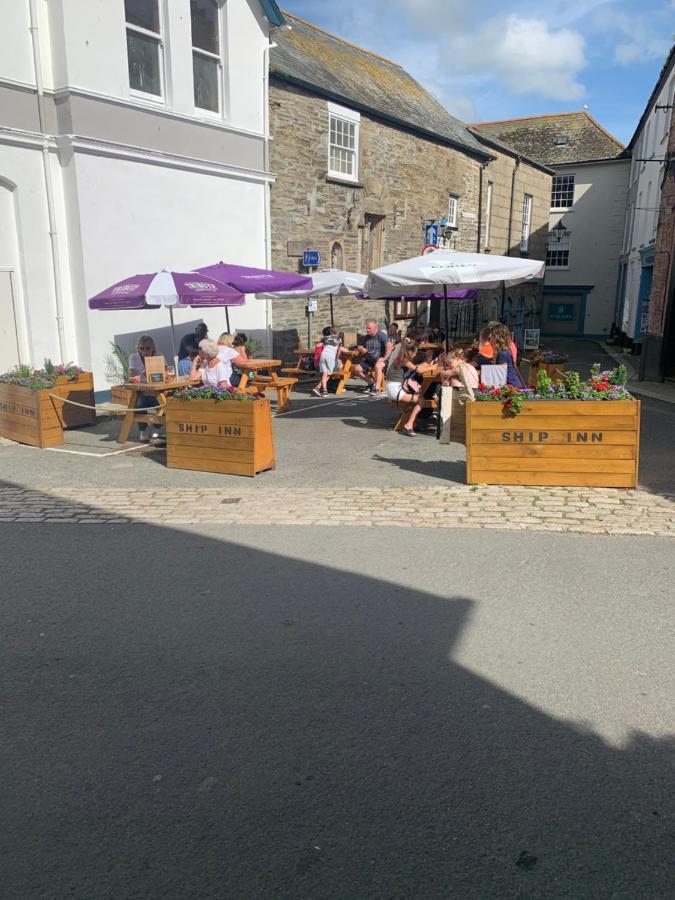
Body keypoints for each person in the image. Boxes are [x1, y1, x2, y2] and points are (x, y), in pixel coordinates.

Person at [128, 335, 161, 442]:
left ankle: (156, 426)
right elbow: (132, 375)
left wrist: (152, 372)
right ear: (138, 348)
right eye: (142, 348)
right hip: (141, 391)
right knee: (139, 405)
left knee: (165, 405)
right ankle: (143, 429)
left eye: (148, 348)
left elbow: (164, 374)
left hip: (156, 391)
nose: (145, 351)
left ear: (153, 348)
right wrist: (133, 378)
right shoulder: (133, 357)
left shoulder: (158, 356)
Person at [352, 319, 393, 394]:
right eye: (366, 328)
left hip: (381, 360)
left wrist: (384, 358)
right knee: (357, 369)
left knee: (378, 366)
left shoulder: (381, 335)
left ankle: (376, 388)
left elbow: (390, 346)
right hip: (370, 360)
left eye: (369, 328)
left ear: (375, 327)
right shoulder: (366, 337)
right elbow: (359, 346)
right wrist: (361, 349)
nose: (367, 330)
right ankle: (371, 384)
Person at [483, 322, 525, 388]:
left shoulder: (503, 354)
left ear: (498, 338)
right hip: (512, 386)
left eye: (492, 336)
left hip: (512, 387)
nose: (490, 339)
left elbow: (500, 376)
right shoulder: (504, 351)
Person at [312, 326, 342, 397]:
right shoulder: (339, 339)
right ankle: (321, 389)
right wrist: (336, 358)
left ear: (331, 332)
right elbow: (339, 350)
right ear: (338, 333)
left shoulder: (325, 338)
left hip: (323, 355)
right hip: (330, 357)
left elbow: (318, 345)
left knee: (325, 373)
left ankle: (321, 389)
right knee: (329, 374)